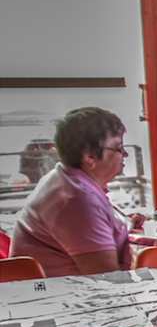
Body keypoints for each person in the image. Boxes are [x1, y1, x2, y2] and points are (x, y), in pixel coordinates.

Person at [10, 107, 142, 276]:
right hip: (63, 292)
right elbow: (108, 279)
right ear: (90, 157)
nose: (125, 154)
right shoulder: (76, 200)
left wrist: (127, 224)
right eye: (118, 148)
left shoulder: (66, 179)